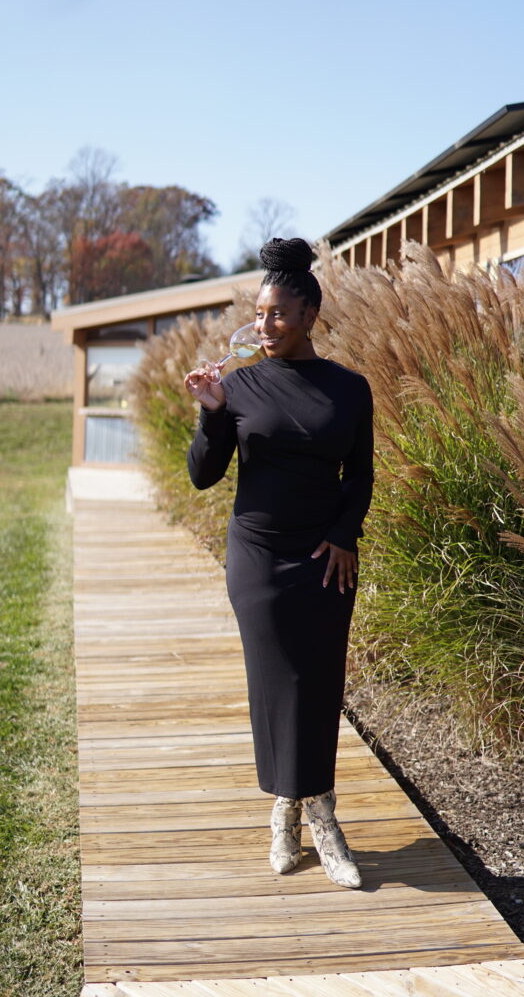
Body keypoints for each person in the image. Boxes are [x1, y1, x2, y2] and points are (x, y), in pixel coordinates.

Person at [184, 238, 374, 889]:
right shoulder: (236, 386)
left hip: (325, 556)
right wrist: (210, 418)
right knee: (275, 681)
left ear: (309, 315)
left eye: (277, 314)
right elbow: (203, 477)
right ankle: (287, 813)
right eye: (258, 314)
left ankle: (317, 815)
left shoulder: (349, 389)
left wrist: (346, 534)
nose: (264, 326)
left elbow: (361, 473)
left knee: (318, 683)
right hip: (258, 557)